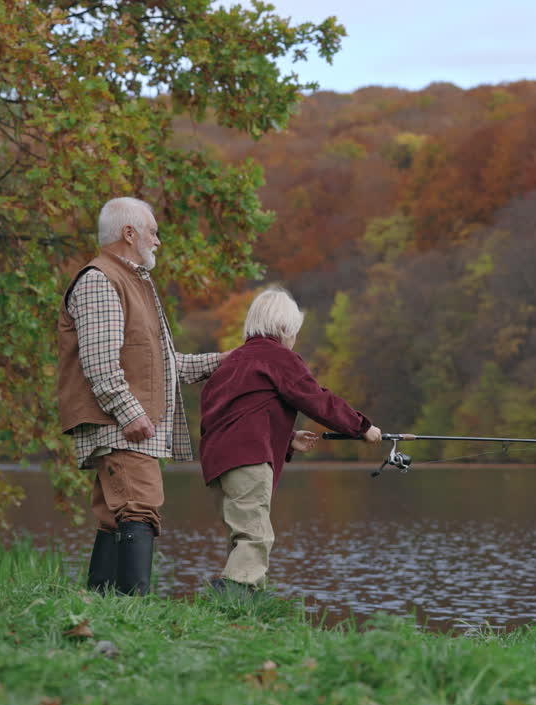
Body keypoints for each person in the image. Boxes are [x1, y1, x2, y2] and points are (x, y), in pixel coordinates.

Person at [56, 197, 226, 595]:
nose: (158, 241)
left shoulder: (134, 282)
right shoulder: (101, 279)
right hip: (122, 425)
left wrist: (228, 361)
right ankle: (134, 609)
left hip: (129, 423)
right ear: (129, 233)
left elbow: (169, 366)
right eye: (153, 232)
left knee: (116, 515)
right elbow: (100, 364)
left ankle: (103, 604)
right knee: (139, 507)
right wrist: (131, 414)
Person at [199, 286, 381, 594]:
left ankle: (247, 603)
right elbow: (316, 399)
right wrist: (361, 427)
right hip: (248, 460)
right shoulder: (279, 358)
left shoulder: (233, 363)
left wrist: (286, 438)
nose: (293, 340)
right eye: (294, 333)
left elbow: (241, 413)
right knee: (256, 537)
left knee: (243, 534)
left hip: (219, 463)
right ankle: (233, 597)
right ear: (284, 328)